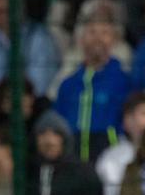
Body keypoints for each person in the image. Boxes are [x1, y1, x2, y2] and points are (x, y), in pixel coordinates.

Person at [54, 11, 132, 163]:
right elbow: (59, 125)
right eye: (92, 32)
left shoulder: (124, 81)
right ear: (81, 39)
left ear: (113, 40)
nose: (98, 38)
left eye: (104, 32)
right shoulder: (68, 85)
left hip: (111, 162)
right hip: (73, 163)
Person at [26, 110, 103, 195]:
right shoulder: (28, 173)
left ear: (64, 139)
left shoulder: (83, 173)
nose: (49, 140)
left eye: (55, 134)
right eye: (42, 134)